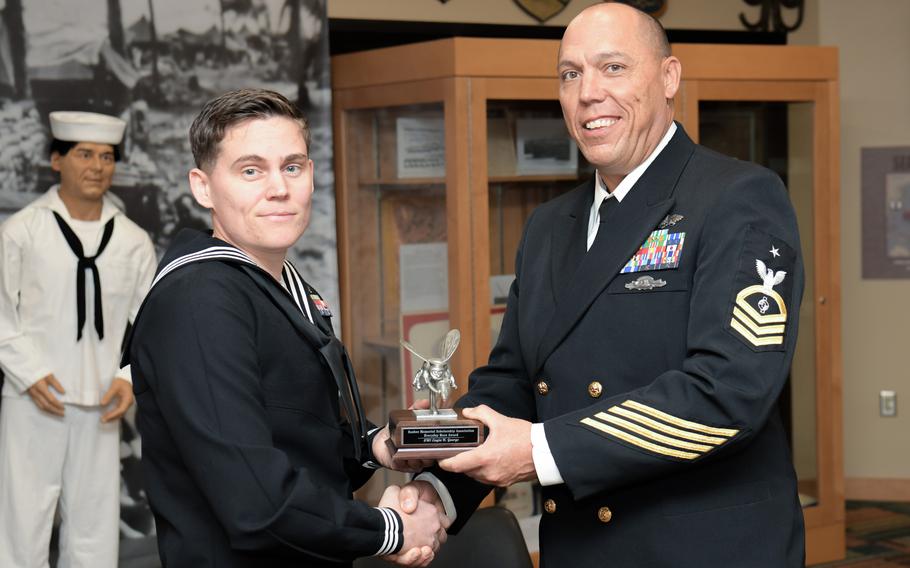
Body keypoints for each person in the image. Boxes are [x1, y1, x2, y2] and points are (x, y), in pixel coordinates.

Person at [417, 3, 807, 567]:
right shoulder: (550, 225)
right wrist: (441, 490)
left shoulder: (737, 198)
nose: (588, 93)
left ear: (669, 77)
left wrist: (536, 451)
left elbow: (727, 394)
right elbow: (512, 383)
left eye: (613, 68)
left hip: (700, 550)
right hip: (581, 547)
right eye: (570, 74)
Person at [124, 88, 447, 568]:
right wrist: (391, 529)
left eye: (292, 167)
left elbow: (293, 432)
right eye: (251, 170)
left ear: (311, 175)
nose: (279, 188)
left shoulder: (274, 282)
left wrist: (378, 446)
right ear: (202, 186)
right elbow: (256, 500)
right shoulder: (200, 300)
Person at [0, 111, 157, 567]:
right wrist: (29, 375)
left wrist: (128, 379)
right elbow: (2, 314)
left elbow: (146, 326)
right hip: (32, 402)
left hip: (102, 403)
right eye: (83, 154)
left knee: (94, 531)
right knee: (22, 524)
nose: (96, 166)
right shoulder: (21, 232)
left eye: (106, 157)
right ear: (56, 161)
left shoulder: (133, 241)